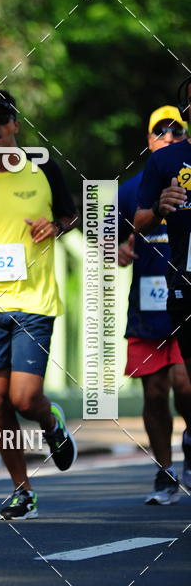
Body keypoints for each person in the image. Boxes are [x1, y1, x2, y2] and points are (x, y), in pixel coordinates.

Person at [0, 89, 78, 520]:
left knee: (25, 399)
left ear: (15, 125)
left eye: (1, 119)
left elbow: (70, 214)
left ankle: (51, 421)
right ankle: (22, 491)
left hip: (34, 301)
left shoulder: (42, 166)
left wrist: (55, 225)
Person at [119, 106, 191, 503]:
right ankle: (165, 473)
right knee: (153, 393)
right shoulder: (133, 187)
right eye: (159, 131)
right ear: (149, 141)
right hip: (147, 307)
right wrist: (115, 246)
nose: (167, 136)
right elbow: (101, 227)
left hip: (185, 297)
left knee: (185, 385)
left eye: (174, 130)